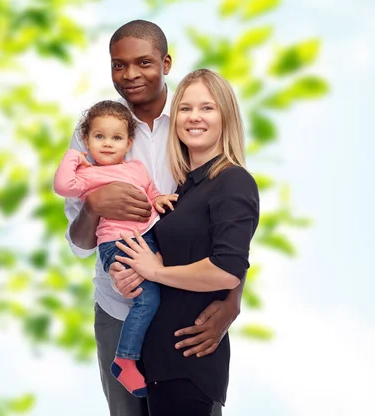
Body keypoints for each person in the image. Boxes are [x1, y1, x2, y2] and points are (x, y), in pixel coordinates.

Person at [64, 19, 243, 416]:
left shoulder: (190, 121)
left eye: (143, 63)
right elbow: (78, 242)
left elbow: (228, 220)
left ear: (165, 63)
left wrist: (233, 299)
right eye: (118, 65)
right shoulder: (95, 130)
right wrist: (95, 206)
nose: (129, 75)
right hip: (117, 306)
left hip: (187, 309)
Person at [110, 68, 260, 415]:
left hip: (188, 368)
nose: (194, 117)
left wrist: (155, 271)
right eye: (185, 108)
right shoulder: (184, 190)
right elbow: (173, 257)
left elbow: (227, 270)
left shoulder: (233, 181)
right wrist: (131, 271)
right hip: (159, 365)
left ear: (226, 118)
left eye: (207, 108)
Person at [54, 100, 178, 398]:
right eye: (99, 137)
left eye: (116, 138)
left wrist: (159, 200)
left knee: (157, 293)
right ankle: (125, 360)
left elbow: (151, 193)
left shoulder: (136, 168)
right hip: (116, 245)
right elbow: (62, 185)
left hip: (145, 238)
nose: (108, 144)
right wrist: (74, 155)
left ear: (128, 142)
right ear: (86, 140)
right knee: (146, 299)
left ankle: (132, 358)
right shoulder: (87, 175)